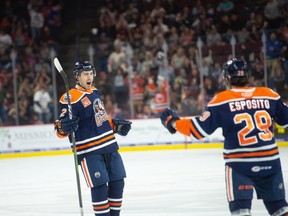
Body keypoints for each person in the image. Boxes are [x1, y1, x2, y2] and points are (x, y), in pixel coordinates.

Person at [160, 58, 288, 216]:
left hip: (240, 166)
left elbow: (198, 130)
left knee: (241, 211)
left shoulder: (222, 100)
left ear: (227, 77)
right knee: (280, 210)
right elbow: (285, 120)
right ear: (247, 75)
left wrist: (173, 122)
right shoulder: (269, 94)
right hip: (270, 162)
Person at [54, 61, 132, 216]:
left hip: (110, 146)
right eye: (85, 74)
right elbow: (59, 128)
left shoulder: (94, 91)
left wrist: (113, 125)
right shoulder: (70, 98)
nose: (89, 77)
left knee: (118, 183)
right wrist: (64, 127)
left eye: (90, 73)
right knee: (100, 187)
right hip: (90, 152)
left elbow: (99, 117)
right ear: (78, 77)